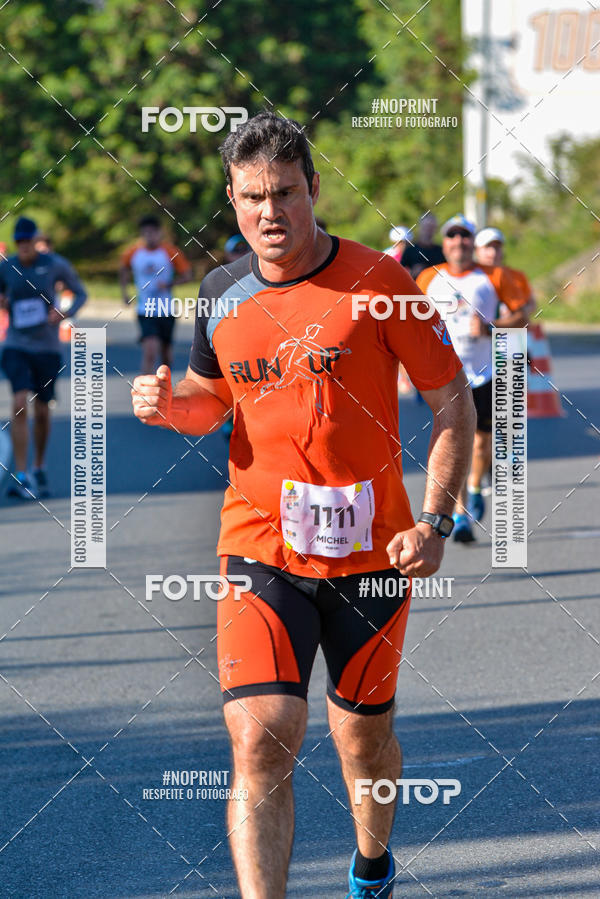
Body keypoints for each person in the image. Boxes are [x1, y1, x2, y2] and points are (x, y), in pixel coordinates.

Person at [132, 111, 475, 899]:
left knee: (364, 740)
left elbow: (451, 401)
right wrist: (163, 405)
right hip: (259, 546)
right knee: (261, 735)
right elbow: (208, 402)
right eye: (253, 197)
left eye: (286, 193)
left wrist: (435, 519)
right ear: (232, 197)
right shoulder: (219, 291)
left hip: (374, 553)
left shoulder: (381, 285)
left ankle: (372, 862)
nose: (270, 213)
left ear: (314, 189)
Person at [417, 215, 530, 541]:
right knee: (454, 441)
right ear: (445, 243)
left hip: (486, 373)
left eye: (465, 237)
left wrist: (493, 326)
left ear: (472, 243)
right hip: (444, 378)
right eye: (452, 237)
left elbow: (522, 315)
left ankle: (476, 487)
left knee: (481, 445)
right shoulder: (429, 277)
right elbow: (409, 319)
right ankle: (461, 515)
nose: (459, 243)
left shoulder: (493, 276)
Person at [0, 216, 87, 499]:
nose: (24, 246)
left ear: (35, 240)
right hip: (16, 344)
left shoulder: (54, 265)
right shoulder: (7, 267)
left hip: (47, 347)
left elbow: (81, 293)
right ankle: (22, 474)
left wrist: (65, 312)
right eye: (19, 241)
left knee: (42, 409)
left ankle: (39, 465)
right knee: (18, 401)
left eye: (28, 240)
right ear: (15, 243)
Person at [119, 215, 192, 374]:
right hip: (145, 310)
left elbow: (187, 275)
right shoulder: (133, 252)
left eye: (152, 232)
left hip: (166, 309)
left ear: (159, 233)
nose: (149, 236)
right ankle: (144, 393)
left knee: (166, 356)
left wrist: (169, 284)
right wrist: (125, 293)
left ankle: (165, 389)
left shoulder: (169, 251)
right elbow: (123, 269)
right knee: (150, 351)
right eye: (145, 232)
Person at [401, 212, 445, 279]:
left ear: (435, 229)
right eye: (426, 227)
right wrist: (412, 273)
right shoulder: (409, 251)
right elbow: (400, 275)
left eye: (431, 227)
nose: (428, 230)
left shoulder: (441, 252)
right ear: (420, 227)